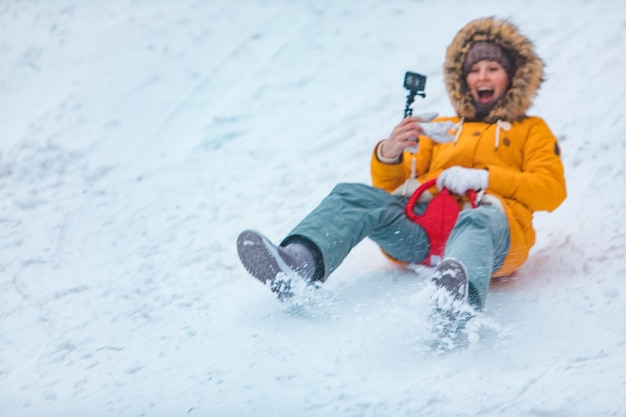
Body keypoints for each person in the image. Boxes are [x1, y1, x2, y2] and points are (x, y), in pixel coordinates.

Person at [236, 17, 566, 316]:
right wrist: (390, 152)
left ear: (512, 77)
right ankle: (299, 265)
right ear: (463, 79)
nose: (482, 76)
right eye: (474, 69)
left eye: (493, 67)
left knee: (478, 220)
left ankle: (458, 301)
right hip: (422, 235)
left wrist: (484, 178)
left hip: (490, 240)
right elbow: (391, 187)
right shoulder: (441, 128)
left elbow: (551, 191)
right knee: (353, 195)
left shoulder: (531, 130)